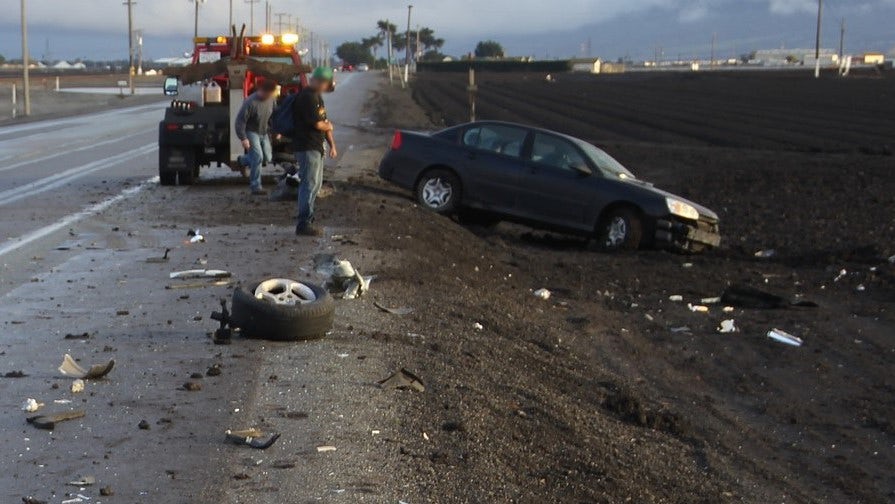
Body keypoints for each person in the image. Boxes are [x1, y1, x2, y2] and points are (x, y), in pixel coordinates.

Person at [292, 67, 338, 236]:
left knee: (315, 184)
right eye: (326, 84)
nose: (326, 88)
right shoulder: (307, 97)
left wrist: (332, 144)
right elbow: (319, 124)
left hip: (315, 146)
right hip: (306, 147)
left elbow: (323, 121)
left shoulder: (317, 97)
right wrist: (329, 126)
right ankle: (304, 223)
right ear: (319, 82)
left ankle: (308, 219)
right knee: (309, 184)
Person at [235, 79, 278, 196]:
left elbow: (274, 115)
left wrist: (276, 130)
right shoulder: (250, 102)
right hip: (251, 132)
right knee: (258, 157)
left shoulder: (272, 100)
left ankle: (242, 160)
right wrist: (243, 138)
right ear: (262, 91)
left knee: (267, 157)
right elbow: (240, 121)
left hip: (264, 132)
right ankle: (256, 186)